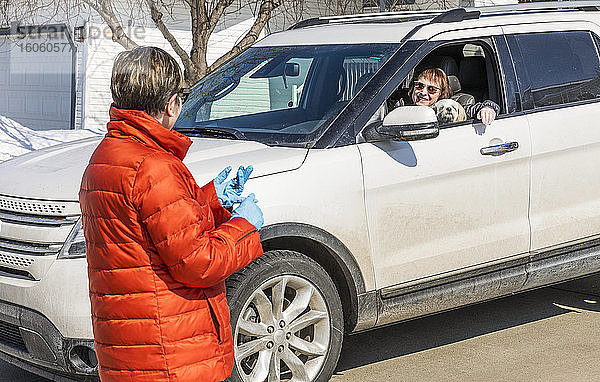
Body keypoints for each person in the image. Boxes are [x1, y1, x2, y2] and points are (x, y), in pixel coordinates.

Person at [79, 46, 264, 381]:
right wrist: (244, 227)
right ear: (170, 104)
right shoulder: (155, 166)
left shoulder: (106, 156)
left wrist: (211, 201)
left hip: (131, 347)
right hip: (172, 351)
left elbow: (147, 234)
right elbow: (197, 262)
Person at [409, 68, 499, 125]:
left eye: (431, 89)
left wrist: (488, 108)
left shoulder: (451, 106)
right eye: (420, 86)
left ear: (441, 94)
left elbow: (476, 108)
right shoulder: (402, 102)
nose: (423, 92)